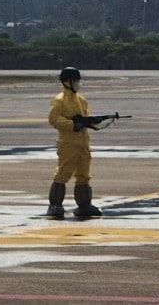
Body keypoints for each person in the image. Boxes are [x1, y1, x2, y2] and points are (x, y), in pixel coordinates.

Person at [46, 66, 101, 220]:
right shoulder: (59, 101)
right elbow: (54, 119)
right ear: (67, 82)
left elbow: (86, 118)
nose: (78, 84)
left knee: (84, 175)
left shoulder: (81, 100)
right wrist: (72, 125)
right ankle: (55, 204)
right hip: (68, 143)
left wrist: (93, 122)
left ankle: (84, 204)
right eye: (75, 81)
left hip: (83, 143)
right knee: (63, 174)